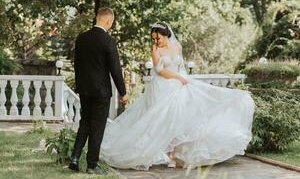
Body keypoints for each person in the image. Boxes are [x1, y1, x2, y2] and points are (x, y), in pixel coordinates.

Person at [100, 22, 255, 171]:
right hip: (163, 86)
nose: (155, 41)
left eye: (157, 38)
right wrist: (178, 78)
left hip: (180, 85)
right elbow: (160, 71)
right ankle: (167, 155)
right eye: (153, 38)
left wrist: (184, 80)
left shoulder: (177, 47)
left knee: (181, 119)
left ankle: (175, 156)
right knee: (163, 120)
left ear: (165, 35)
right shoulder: (155, 50)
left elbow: (181, 66)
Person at [69, 7, 129, 175]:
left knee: (85, 123)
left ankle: (74, 157)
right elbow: (115, 70)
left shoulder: (81, 38)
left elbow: (77, 65)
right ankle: (91, 164)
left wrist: (79, 86)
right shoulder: (108, 41)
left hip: (85, 89)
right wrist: (123, 93)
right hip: (101, 91)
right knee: (97, 127)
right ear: (108, 21)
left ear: (97, 18)